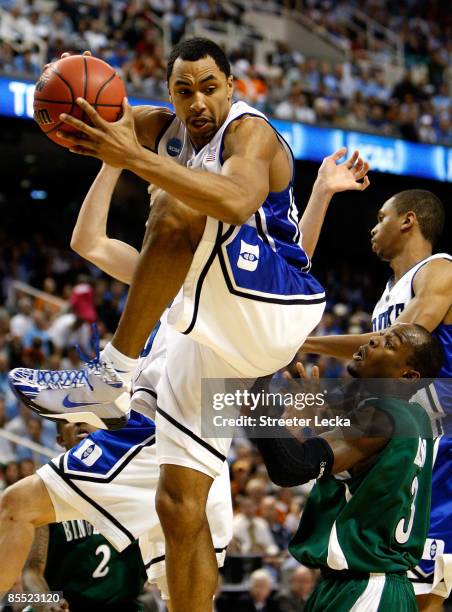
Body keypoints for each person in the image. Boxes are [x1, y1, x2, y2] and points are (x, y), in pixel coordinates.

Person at [9, 37, 370, 611]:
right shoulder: (166, 143)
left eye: (209, 87)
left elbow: (232, 200)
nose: (197, 100)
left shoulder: (252, 134)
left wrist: (133, 159)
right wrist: (74, 114)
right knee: (179, 505)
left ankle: (111, 375)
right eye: (183, 90)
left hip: (274, 305)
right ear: (171, 94)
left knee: (178, 206)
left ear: (231, 86)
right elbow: (109, 124)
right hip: (212, 339)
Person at [301, 189, 452, 611]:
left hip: (442, 438)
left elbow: (409, 339)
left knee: (425, 588)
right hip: (408, 439)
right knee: (400, 576)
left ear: (408, 221)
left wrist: (303, 340)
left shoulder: (438, 270)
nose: (372, 227)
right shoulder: (387, 294)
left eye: (381, 217)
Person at [251, 323, 442, 611]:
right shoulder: (415, 417)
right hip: (372, 585)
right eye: (381, 335)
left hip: (364, 589)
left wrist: (258, 397)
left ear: (409, 375)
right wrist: (309, 423)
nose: (375, 340)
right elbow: (355, 467)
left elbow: (291, 468)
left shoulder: (379, 417)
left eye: (390, 344)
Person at [22, 421, 147, 612]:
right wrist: (45, 602)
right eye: (68, 419)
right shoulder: (45, 493)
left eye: (86, 415)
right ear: (60, 439)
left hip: (125, 605)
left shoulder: (130, 481)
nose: (79, 421)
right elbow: (31, 572)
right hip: (69, 606)